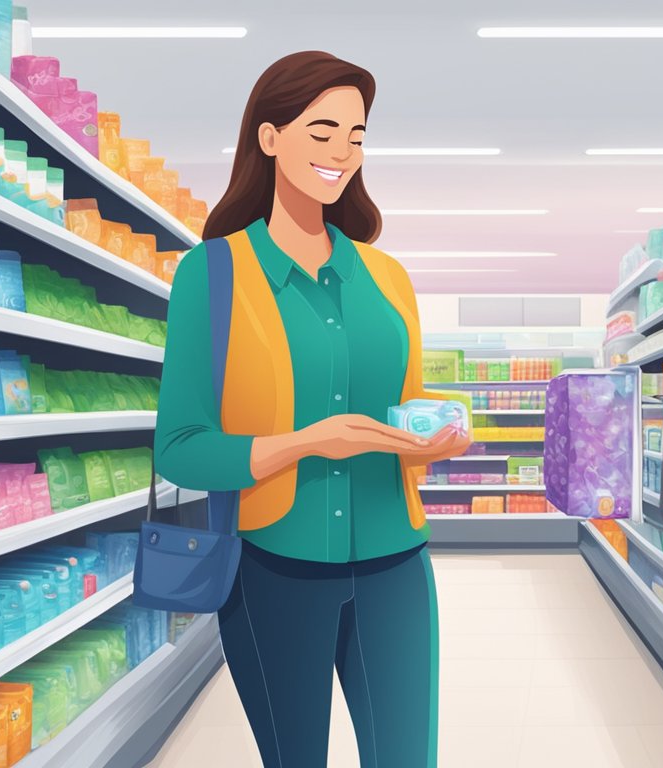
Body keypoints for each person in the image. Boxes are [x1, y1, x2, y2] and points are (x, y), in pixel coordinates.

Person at [153, 50, 468, 768]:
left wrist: (431, 437)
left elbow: (406, 407)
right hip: (272, 571)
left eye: (356, 136)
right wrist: (300, 443)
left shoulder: (387, 276)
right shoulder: (214, 273)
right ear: (269, 136)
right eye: (322, 130)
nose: (342, 153)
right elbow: (179, 445)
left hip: (396, 566)